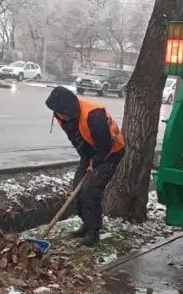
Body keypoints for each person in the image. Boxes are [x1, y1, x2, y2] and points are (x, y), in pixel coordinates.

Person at [45, 86, 125, 246]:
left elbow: (105, 146)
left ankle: (93, 232)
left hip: (111, 151)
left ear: (69, 108)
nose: (59, 115)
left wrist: (95, 163)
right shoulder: (64, 117)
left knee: (90, 189)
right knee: (78, 186)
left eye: (61, 112)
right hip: (91, 151)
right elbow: (77, 140)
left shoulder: (94, 115)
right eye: (57, 112)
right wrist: (87, 158)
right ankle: (86, 224)